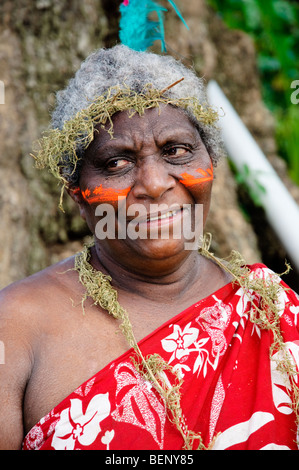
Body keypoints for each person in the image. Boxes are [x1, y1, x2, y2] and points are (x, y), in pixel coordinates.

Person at [0, 45, 299, 451]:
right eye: (117, 163)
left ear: (210, 163)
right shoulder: (15, 326)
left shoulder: (271, 309)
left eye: (175, 151)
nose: (155, 184)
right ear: (79, 197)